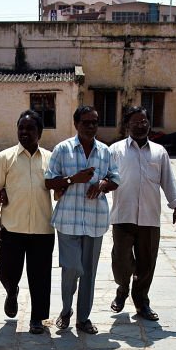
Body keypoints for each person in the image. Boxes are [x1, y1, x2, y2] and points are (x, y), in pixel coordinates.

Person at [44, 106, 119, 334]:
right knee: (72, 268)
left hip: (95, 221)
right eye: (86, 122)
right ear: (76, 124)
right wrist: (72, 180)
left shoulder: (105, 152)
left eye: (94, 122)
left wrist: (103, 184)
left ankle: (83, 318)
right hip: (68, 220)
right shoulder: (62, 149)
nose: (91, 126)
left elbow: (115, 178)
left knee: (89, 272)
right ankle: (66, 310)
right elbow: (49, 182)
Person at [108, 106, 176, 322]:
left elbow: (168, 180)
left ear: (149, 124)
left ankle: (141, 301)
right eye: (135, 122)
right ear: (127, 125)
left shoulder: (159, 152)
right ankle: (122, 289)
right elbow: (105, 178)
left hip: (150, 218)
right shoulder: (115, 150)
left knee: (147, 263)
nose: (140, 125)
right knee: (121, 261)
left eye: (144, 122)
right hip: (123, 215)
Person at [0, 110, 54, 335]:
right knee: (7, 269)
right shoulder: (4, 158)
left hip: (42, 228)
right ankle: (11, 291)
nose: (24, 132)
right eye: (21, 128)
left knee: (40, 277)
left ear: (39, 133)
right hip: (12, 228)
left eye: (30, 129)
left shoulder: (50, 158)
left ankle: (38, 319)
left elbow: (58, 190)